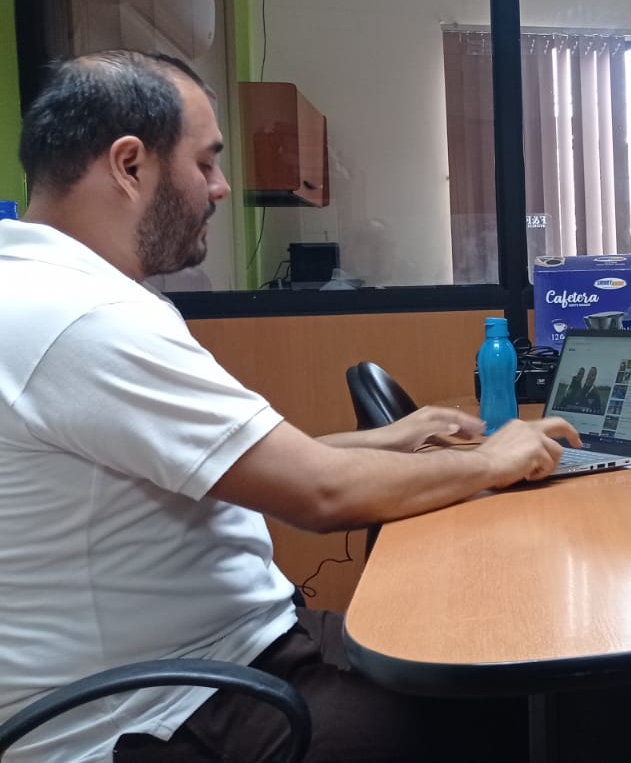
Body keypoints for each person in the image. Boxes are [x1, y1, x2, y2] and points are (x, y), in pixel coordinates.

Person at [0, 51, 580, 763]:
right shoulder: (83, 318)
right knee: (505, 702)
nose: (221, 186)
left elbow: (239, 462)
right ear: (129, 165)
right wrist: (493, 461)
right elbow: (318, 494)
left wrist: (395, 436)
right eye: (205, 162)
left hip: (215, 660)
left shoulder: (40, 289)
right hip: (159, 712)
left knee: (471, 646)